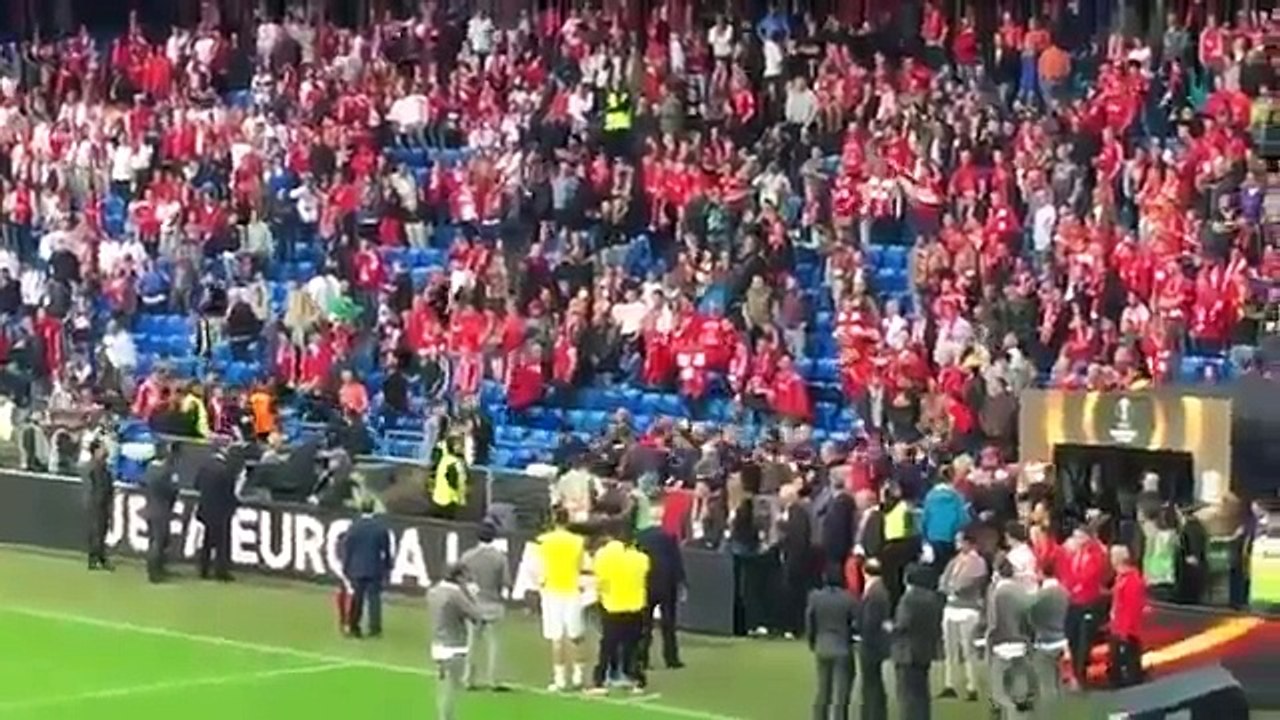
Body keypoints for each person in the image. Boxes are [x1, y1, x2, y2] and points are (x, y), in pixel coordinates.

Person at [588, 531, 651, 695]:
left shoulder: (604, 555)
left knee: (608, 645)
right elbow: (645, 572)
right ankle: (636, 679)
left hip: (613, 606)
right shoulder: (640, 557)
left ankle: (600, 681)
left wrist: (600, 595)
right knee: (632, 645)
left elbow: (600, 579)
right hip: (635, 606)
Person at [534, 508, 588, 691]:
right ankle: (578, 676)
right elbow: (580, 566)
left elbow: (540, 569)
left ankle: (560, 679)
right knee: (575, 635)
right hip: (571, 590)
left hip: (552, 592)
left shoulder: (543, 541)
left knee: (556, 637)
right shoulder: (578, 541)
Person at [427, 563, 485, 720]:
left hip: (437, 645)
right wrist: (472, 597)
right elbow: (477, 615)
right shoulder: (456, 594)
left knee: (442, 687)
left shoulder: (433, 591)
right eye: (465, 577)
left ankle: (442, 716)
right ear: (458, 577)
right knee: (451, 689)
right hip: (454, 646)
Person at [459, 522, 511, 691]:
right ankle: (494, 680)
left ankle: (468, 679)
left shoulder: (468, 556)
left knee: (471, 643)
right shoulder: (500, 558)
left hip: (473, 605)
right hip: (493, 604)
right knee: (494, 644)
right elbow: (506, 582)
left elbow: (461, 580)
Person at [938, 531, 987, 702]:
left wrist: (953, 587)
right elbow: (943, 580)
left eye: (959, 541)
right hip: (951, 607)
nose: (957, 544)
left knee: (968, 649)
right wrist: (949, 587)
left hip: (968, 608)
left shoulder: (978, 562)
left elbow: (969, 583)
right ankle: (950, 683)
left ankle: (972, 686)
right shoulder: (955, 561)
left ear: (968, 542)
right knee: (950, 649)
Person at [806, 566, 859, 720]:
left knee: (823, 689)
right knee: (841, 693)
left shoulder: (815, 597)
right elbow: (856, 623)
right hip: (842, 647)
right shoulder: (849, 599)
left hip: (822, 645)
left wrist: (812, 641)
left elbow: (810, 621)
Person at [892, 564, 943, 720]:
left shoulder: (908, 599)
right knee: (922, 694)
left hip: (907, 652)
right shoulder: (935, 599)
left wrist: (889, 627)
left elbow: (902, 624)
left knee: (907, 695)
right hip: (925, 650)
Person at [986, 557, 1035, 718]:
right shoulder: (1022, 592)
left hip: (1001, 644)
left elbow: (993, 622)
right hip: (1020, 644)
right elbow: (1029, 618)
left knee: (999, 691)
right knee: (1020, 689)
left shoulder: (996, 593)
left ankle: (1010, 713)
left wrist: (989, 642)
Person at [1062, 522, 1108, 688]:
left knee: (1083, 639)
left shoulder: (1096, 553)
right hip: (1073, 601)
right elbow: (1068, 573)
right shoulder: (1075, 553)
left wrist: (1075, 586)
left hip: (1088, 601)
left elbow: (1090, 575)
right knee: (1071, 635)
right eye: (1075, 536)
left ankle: (1080, 675)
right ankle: (1075, 671)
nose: (1076, 539)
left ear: (1088, 538)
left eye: (1079, 536)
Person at [635, 524, 686, 670]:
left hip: (647, 582)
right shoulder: (669, 535)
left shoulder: (639, 537)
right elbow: (676, 559)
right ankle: (671, 658)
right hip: (667, 583)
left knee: (644, 623)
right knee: (668, 624)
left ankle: (642, 657)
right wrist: (681, 580)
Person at [339, 498, 393, 638]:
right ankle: (375, 629)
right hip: (374, 568)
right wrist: (388, 568)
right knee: (374, 599)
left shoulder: (354, 527)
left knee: (357, 599)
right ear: (373, 509)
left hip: (356, 568)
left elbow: (348, 548)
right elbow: (386, 550)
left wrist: (346, 567)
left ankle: (354, 626)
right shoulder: (380, 528)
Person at [1027, 563, 1070, 718]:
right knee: (1059, 684)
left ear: (1041, 573)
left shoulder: (1040, 596)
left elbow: (1031, 619)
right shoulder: (1064, 592)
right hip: (1062, 641)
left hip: (1045, 644)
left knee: (1046, 686)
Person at [195, 447, 239, 581]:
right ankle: (221, 571)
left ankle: (203, 569)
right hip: (221, 511)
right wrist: (233, 506)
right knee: (222, 543)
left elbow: (196, 485)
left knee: (207, 541)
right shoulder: (226, 470)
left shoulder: (204, 467)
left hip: (206, 509)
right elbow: (229, 492)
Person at [1109, 545, 1147, 688]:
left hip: (1127, 630)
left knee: (1129, 659)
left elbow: (1131, 608)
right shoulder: (1121, 577)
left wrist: (1123, 632)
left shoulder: (1131, 580)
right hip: (1119, 627)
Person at [858, 559, 891, 720]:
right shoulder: (879, 588)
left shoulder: (875, 591)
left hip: (871, 644)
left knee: (871, 682)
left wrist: (861, 634)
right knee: (874, 682)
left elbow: (870, 621)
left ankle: (873, 715)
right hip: (876, 642)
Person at [141, 446, 178, 584]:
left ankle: (154, 569)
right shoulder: (166, 471)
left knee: (154, 540)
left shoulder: (149, 469)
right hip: (161, 510)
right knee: (159, 541)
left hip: (150, 508)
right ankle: (155, 573)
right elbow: (172, 491)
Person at [921, 474, 971, 571]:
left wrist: (925, 537)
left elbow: (925, 518)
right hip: (950, 536)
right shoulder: (957, 497)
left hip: (933, 535)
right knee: (949, 565)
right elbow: (963, 518)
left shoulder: (930, 496)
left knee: (936, 567)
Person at [82, 437, 114, 571]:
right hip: (97, 503)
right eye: (102, 448)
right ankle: (97, 558)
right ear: (95, 451)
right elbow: (100, 487)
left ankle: (97, 557)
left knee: (100, 530)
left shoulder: (99, 466)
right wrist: (103, 501)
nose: (105, 450)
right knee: (98, 531)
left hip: (98, 502)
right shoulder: (96, 467)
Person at [431, 434, 468, 520]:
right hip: (451, 500)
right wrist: (462, 498)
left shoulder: (445, 458)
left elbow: (441, 445)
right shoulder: (456, 463)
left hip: (438, 498)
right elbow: (460, 482)